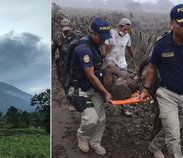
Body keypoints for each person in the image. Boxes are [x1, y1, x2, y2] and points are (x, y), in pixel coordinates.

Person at [140, 4, 183, 158]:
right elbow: (152, 67)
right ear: (171, 24)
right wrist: (145, 88)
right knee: (174, 135)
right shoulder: (162, 44)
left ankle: (154, 146)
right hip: (167, 94)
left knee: (173, 128)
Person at [69, 17, 112, 155]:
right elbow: (91, 75)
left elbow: (99, 69)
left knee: (101, 118)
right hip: (79, 88)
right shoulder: (83, 49)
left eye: (106, 37)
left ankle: (95, 142)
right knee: (91, 119)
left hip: (93, 87)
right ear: (92, 33)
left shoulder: (98, 45)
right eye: (101, 37)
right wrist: (105, 92)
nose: (104, 40)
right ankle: (82, 136)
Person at [103, 18, 134, 116]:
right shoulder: (110, 34)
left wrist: (133, 56)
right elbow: (105, 47)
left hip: (121, 63)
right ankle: (104, 104)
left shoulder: (127, 36)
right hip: (110, 62)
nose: (126, 31)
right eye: (125, 29)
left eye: (128, 30)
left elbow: (129, 47)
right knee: (108, 84)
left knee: (123, 85)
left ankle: (124, 108)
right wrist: (104, 59)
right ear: (119, 26)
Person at [52, 18, 83, 86]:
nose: (67, 32)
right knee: (65, 83)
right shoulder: (57, 37)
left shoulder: (78, 35)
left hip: (76, 63)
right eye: (65, 30)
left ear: (72, 27)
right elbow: (52, 51)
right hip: (64, 64)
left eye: (68, 29)